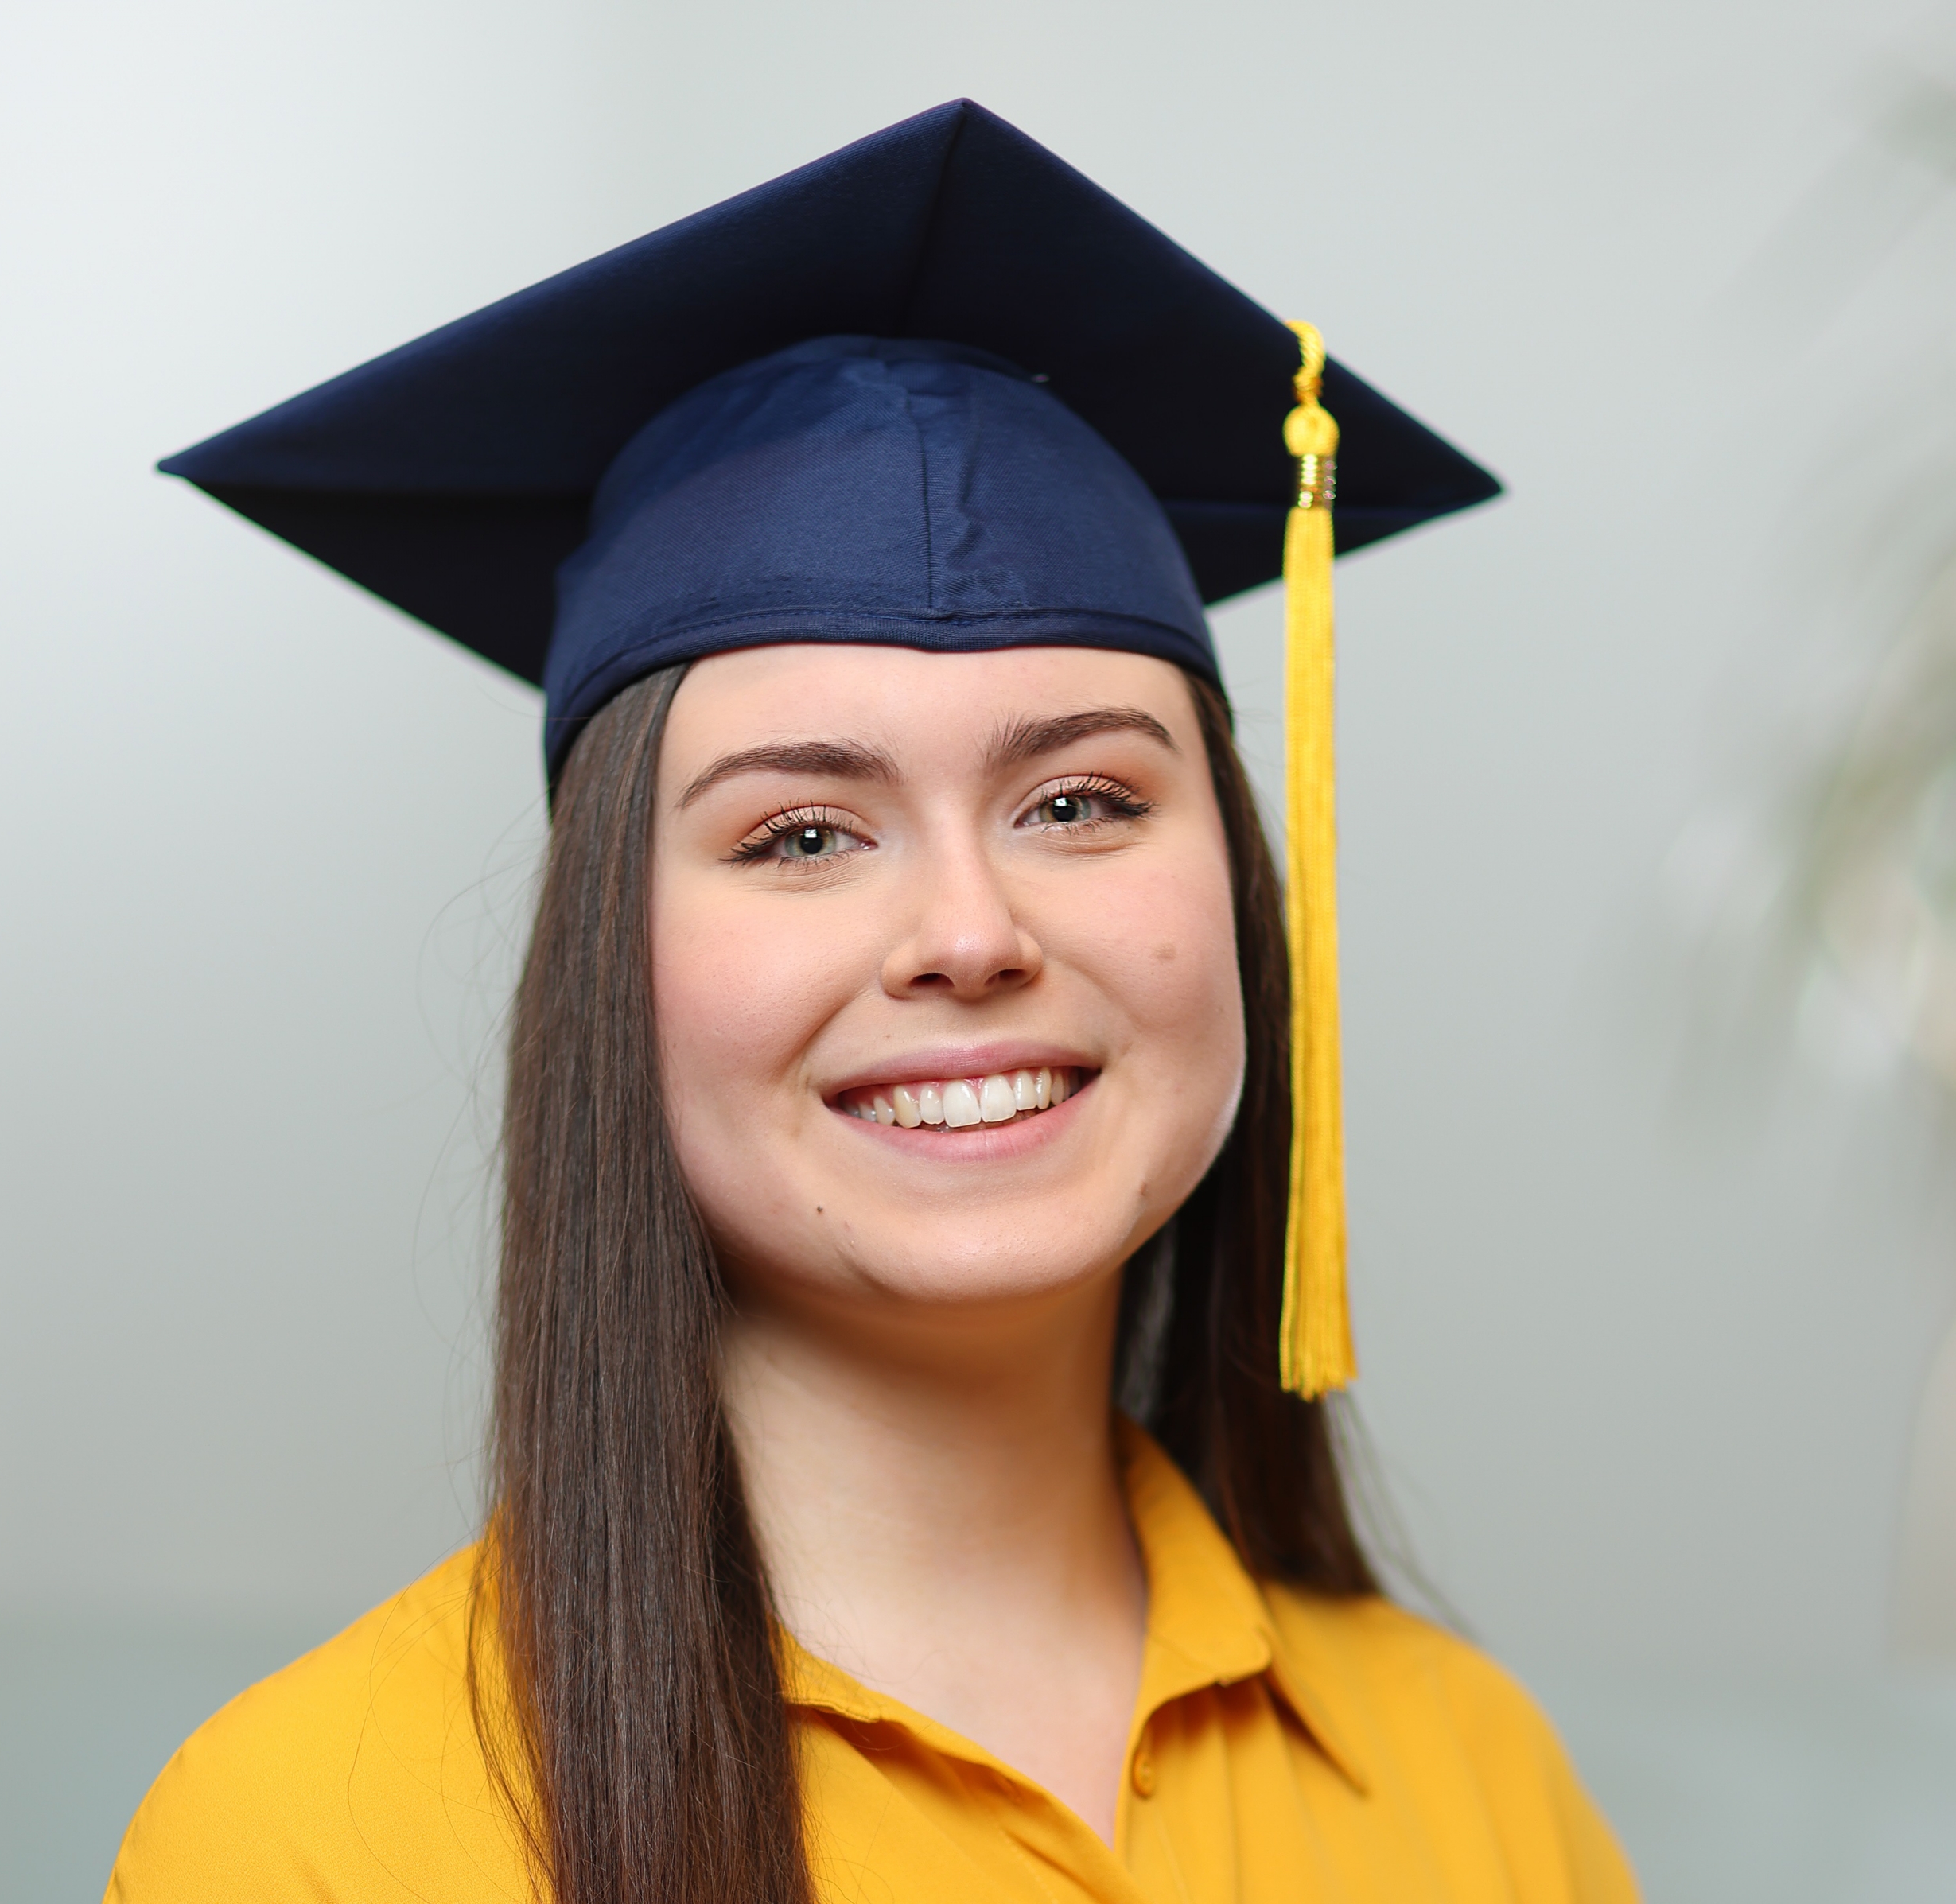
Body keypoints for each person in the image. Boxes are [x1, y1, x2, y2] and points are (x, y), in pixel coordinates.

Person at [107, 100, 1635, 1904]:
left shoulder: (1462, 1778)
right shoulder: (313, 1840)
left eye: (1079, 802)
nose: (967, 931)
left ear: (1231, 885)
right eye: (805, 832)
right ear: (611, 961)